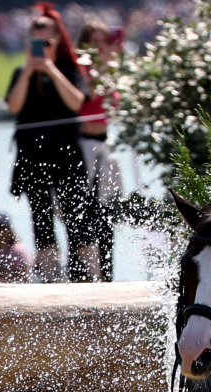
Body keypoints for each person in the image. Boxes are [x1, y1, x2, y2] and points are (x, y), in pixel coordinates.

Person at [5, 3, 98, 282]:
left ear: (57, 40)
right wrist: (30, 70)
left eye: (46, 41)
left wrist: (50, 68)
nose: (41, 46)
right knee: (41, 221)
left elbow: (76, 102)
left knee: (77, 219)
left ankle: (86, 277)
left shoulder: (70, 69)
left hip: (67, 153)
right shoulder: (21, 72)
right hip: (32, 155)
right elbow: (14, 105)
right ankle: (49, 279)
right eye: (36, 40)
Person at [76, 18, 123, 282]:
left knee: (106, 213)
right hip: (83, 145)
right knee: (85, 212)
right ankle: (84, 272)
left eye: (103, 41)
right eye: (94, 41)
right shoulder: (81, 71)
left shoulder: (110, 71)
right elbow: (89, 96)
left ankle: (107, 274)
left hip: (105, 144)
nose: (99, 46)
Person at [0, 211, 32, 281]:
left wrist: (4, 276)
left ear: (9, 230)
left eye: (1, 227)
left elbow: (25, 275)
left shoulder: (18, 250)